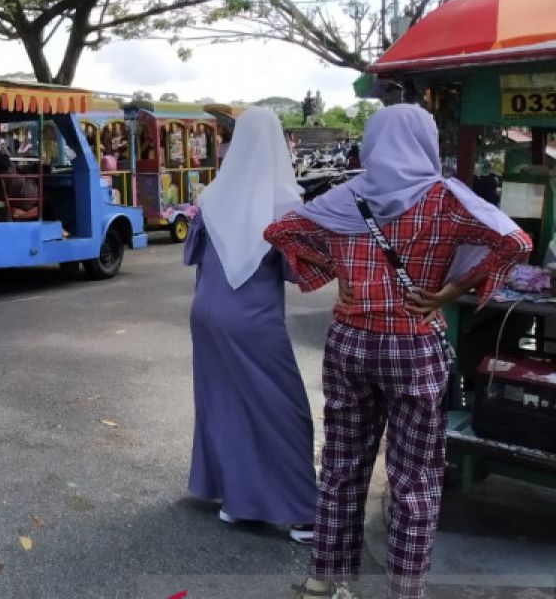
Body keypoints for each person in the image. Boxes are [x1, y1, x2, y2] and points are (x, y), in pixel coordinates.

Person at [265, 104, 531, 599]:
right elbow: (514, 242)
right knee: (415, 478)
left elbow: (279, 230)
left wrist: (338, 275)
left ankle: (325, 577)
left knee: (342, 464)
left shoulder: (345, 195)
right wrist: (449, 292)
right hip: (412, 344)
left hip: (349, 342)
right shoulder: (446, 199)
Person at [183, 107, 316, 545]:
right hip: (253, 320)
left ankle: (234, 501)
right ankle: (300, 514)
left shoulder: (214, 195)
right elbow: (300, 274)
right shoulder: (285, 204)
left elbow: (192, 255)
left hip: (205, 314)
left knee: (225, 404)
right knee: (283, 411)